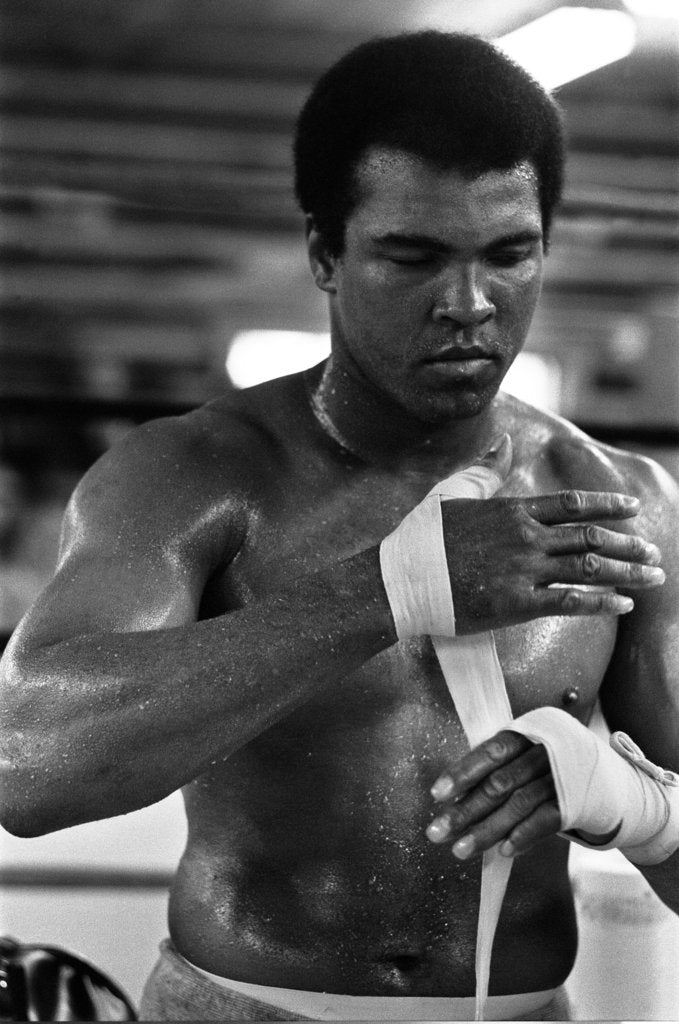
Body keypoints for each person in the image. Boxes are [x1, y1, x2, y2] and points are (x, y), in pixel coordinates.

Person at [1, 30, 678, 1022]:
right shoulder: (196, 477)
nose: (467, 304)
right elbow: (25, 762)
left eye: (508, 253)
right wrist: (390, 589)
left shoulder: (617, 502)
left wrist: (639, 811)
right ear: (324, 252)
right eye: (413, 256)